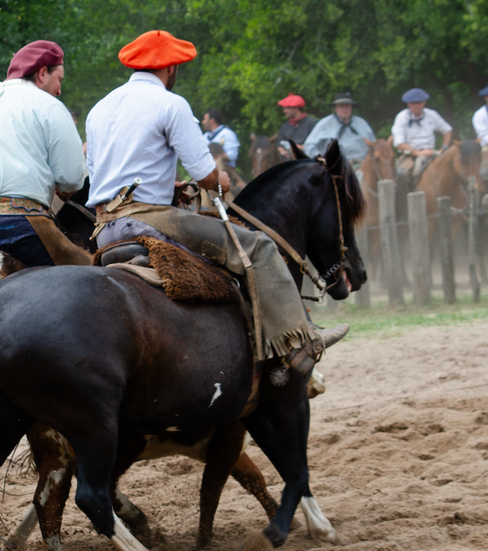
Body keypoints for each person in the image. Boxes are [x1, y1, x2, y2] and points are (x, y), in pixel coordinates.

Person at [85, 29, 348, 375]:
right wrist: (219, 180)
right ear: (171, 68)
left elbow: (103, 173)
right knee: (259, 247)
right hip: (148, 220)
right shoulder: (170, 103)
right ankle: (298, 344)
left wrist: (169, 184)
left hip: (104, 227)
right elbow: (207, 175)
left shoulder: (98, 109)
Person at [0, 40, 88, 267]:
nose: (60, 90)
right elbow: (72, 180)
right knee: (90, 278)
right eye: (59, 80)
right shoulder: (49, 105)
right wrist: (64, 191)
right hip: (15, 228)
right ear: (43, 73)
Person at [391, 88, 452, 185]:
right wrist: (417, 153)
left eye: (418, 103)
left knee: (453, 169)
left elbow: (447, 130)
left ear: (424, 102)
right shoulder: (402, 117)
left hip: (431, 152)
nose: (416, 106)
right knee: (401, 175)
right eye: (412, 103)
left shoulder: (432, 114)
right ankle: (404, 198)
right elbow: (399, 143)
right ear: (408, 104)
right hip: (410, 154)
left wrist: (444, 148)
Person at [303, 92, 376, 163]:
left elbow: (374, 145)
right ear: (336, 108)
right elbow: (309, 145)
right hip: (334, 166)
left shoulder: (362, 123)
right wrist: (320, 158)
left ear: (351, 107)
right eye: (341, 106)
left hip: (362, 165)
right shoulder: (325, 124)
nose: (345, 109)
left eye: (347, 106)